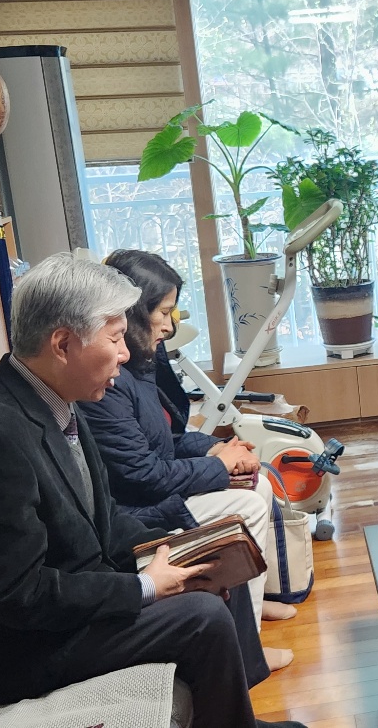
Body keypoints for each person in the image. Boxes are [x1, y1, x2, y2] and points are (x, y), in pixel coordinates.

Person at [0, 253, 298, 728]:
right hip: (11, 652)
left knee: (211, 558)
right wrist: (144, 586)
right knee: (201, 617)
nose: (125, 353)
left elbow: (106, 518)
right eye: (116, 338)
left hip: (64, 608)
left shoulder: (57, 399)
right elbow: (20, 594)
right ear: (63, 344)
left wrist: (180, 548)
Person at [79, 249, 296, 671]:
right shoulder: (110, 382)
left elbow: (168, 437)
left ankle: (250, 609)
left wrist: (216, 450)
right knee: (246, 505)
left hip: (154, 488)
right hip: (138, 507)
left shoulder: (143, 363)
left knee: (261, 484)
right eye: (163, 312)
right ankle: (245, 651)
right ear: (134, 313)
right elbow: (142, 474)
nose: (169, 325)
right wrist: (219, 465)